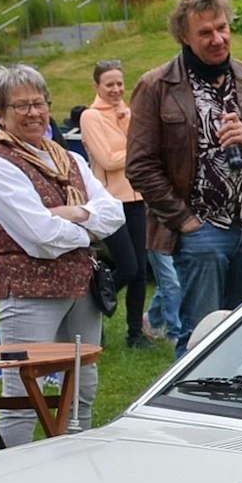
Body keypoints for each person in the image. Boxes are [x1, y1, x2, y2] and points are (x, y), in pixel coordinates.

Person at [126, 0, 242, 354]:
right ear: (184, 37)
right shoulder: (157, 86)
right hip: (201, 233)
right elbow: (140, 165)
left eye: (222, 28)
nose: (217, 39)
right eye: (205, 32)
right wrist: (185, 221)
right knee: (200, 339)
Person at [0, 64, 127, 445]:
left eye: (39, 103)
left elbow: (115, 213)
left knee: (83, 389)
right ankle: (13, 472)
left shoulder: (69, 159)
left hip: (81, 287)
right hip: (30, 292)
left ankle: (74, 463)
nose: (33, 113)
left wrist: (73, 214)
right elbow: (39, 237)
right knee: (24, 395)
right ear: (0, 115)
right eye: (21, 106)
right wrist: (88, 225)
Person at [80, 60, 154, 348]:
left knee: (140, 271)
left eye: (119, 84)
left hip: (136, 198)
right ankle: (91, 305)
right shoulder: (91, 117)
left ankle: (135, 333)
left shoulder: (127, 113)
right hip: (111, 202)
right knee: (128, 266)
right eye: (109, 84)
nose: (115, 89)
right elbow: (108, 160)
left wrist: (130, 130)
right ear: (97, 86)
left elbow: (144, 150)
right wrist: (137, 147)